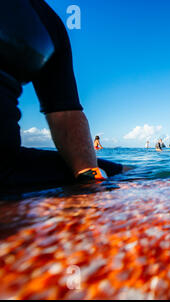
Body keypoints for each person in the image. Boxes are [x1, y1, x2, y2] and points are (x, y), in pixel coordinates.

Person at [0, 0, 124, 191]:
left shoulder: (47, 22)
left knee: (123, 171)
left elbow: (65, 113)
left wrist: (90, 181)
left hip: (6, 164)